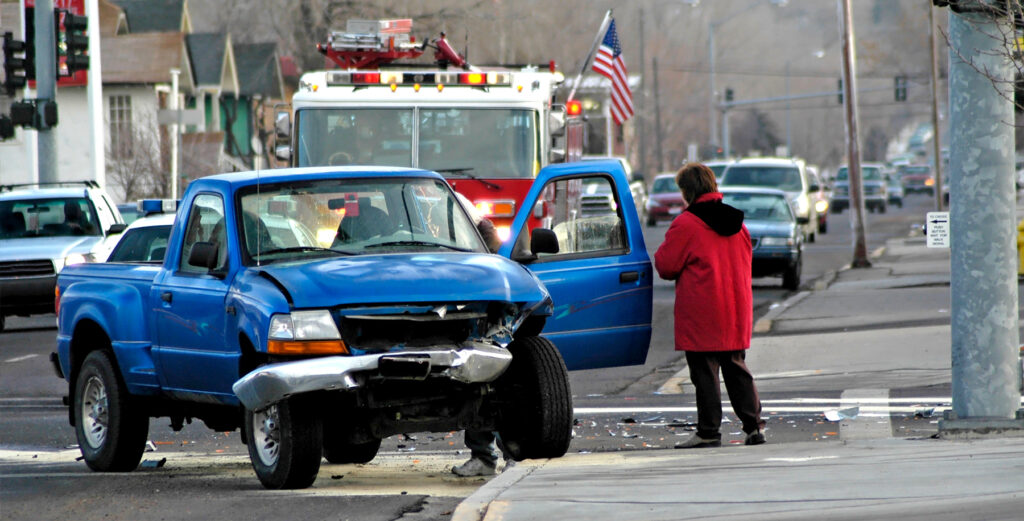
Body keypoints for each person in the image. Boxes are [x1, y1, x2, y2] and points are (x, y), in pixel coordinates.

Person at [653, 162, 766, 448]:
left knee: (705, 373)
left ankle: (708, 431)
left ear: (687, 192)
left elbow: (666, 266)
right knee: (736, 368)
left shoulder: (687, 224)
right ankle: (753, 427)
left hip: (702, 309)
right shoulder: (738, 224)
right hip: (735, 306)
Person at [451, 191, 503, 477]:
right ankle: (487, 456)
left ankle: (499, 454)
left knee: (487, 379)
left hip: (471, 302)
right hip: (461, 300)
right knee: (479, 380)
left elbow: (492, 238)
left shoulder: (453, 200)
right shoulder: (449, 198)